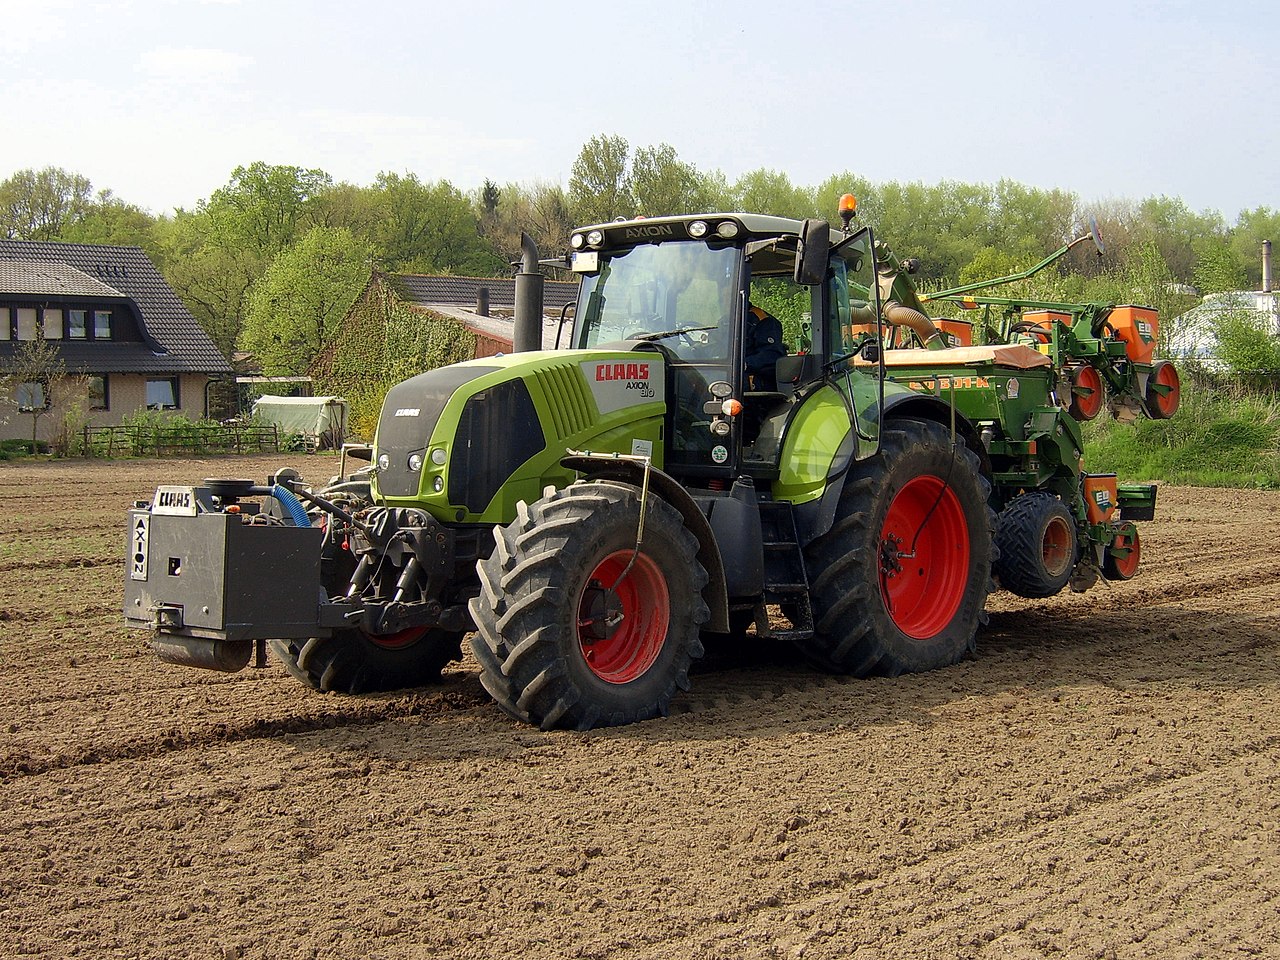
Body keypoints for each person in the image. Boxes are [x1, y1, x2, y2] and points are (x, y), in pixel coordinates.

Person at [744, 304, 786, 391]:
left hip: (756, 384)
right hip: (727, 377)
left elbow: (772, 355)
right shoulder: (725, 321)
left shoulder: (762, 320)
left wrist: (742, 364)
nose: (722, 298)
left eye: (725, 293)